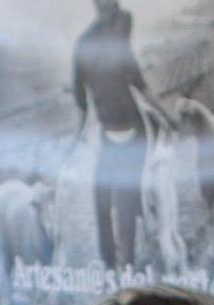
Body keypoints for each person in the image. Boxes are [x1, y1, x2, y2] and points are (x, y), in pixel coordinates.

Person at [73, 0, 171, 270]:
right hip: (109, 136)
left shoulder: (122, 24)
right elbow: (81, 101)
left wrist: (167, 115)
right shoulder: (84, 44)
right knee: (102, 201)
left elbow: (140, 84)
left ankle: (127, 265)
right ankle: (109, 266)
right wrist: (74, 142)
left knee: (126, 204)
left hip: (134, 133)